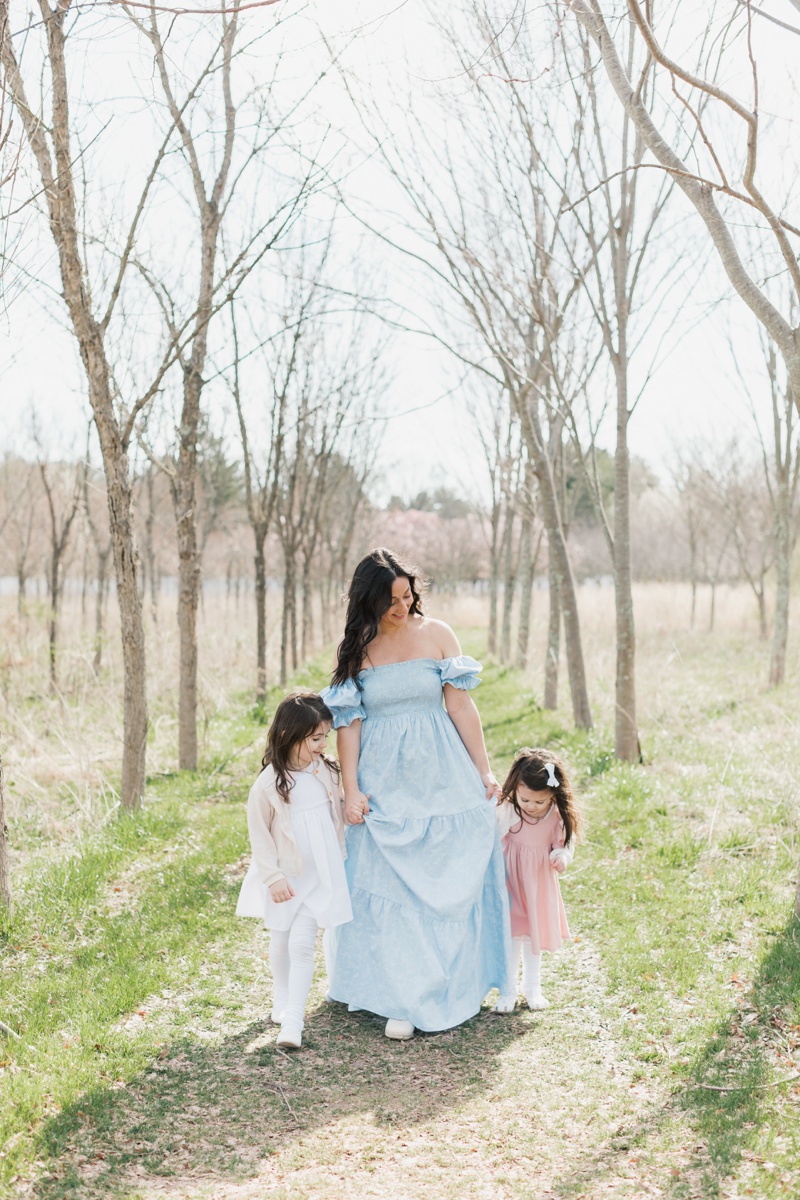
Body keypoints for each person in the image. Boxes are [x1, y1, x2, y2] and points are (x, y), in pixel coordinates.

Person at [320, 547, 511, 1039]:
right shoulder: (357, 649)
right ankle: (397, 993)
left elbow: (462, 709)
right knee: (386, 877)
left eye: (406, 595)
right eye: (389, 601)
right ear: (368, 602)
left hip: (441, 771)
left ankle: (443, 982)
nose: (401, 607)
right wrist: (351, 788)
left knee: (445, 870)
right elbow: (349, 726)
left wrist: (484, 771)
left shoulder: (438, 635)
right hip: (384, 779)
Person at [236, 691, 352, 1049]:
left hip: (319, 874)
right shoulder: (269, 784)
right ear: (290, 735)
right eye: (316, 738)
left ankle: (294, 1022)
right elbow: (260, 836)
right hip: (286, 874)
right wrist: (273, 877)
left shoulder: (327, 771)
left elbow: (339, 805)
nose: (322, 745)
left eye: (325, 738)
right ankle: (281, 997)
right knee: (281, 937)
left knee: (303, 942)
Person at [493, 748, 581, 1012]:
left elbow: (564, 844)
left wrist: (562, 856)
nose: (531, 806)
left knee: (533, 938)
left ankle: (532, 988)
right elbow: (492, 836)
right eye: (525, 800)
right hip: (511, 883)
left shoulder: (556, 816)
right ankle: (507, 990)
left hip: (538, 885)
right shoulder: (510, 810)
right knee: (511, 939)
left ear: (553, 795)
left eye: (539, 802)